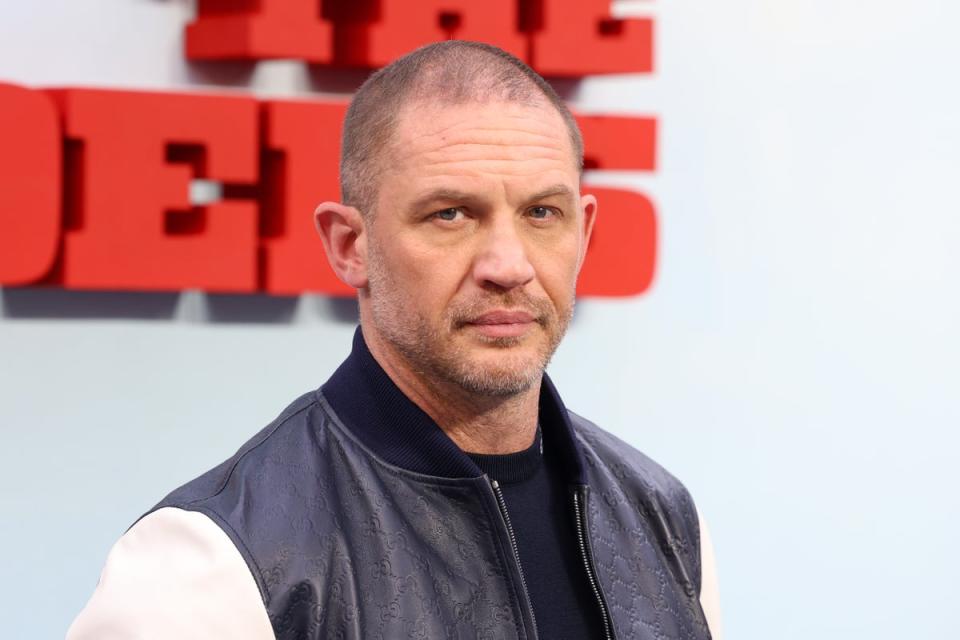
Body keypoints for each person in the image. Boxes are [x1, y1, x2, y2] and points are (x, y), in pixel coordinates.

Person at [68, 41, 722, 640]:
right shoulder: (209, 566)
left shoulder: (662, 518)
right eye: (451, 214)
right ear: (351, 246)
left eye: (541, 214)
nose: (508, 264)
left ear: (583, 234)